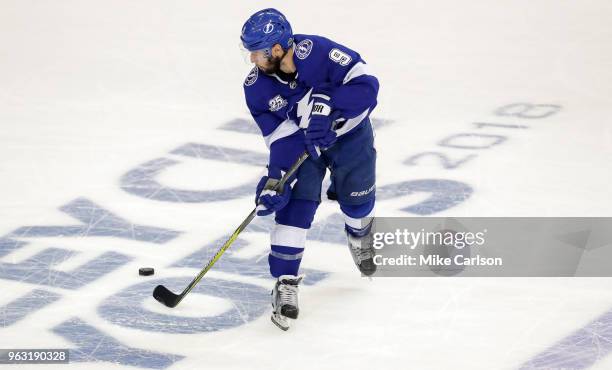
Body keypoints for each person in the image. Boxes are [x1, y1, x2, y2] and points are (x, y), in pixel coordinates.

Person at [240, 8, 380, 330]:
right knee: (293, 208)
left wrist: (330, 108)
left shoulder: (317, 51)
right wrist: (277, 178)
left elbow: (367, 85)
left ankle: (359, 234)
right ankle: (285, 281)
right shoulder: (255, 87)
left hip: (351, 137)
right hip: (306, 147)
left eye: (257, 52)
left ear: (277, 48)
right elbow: (279, 136)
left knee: (357, 201)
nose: (252, 60)